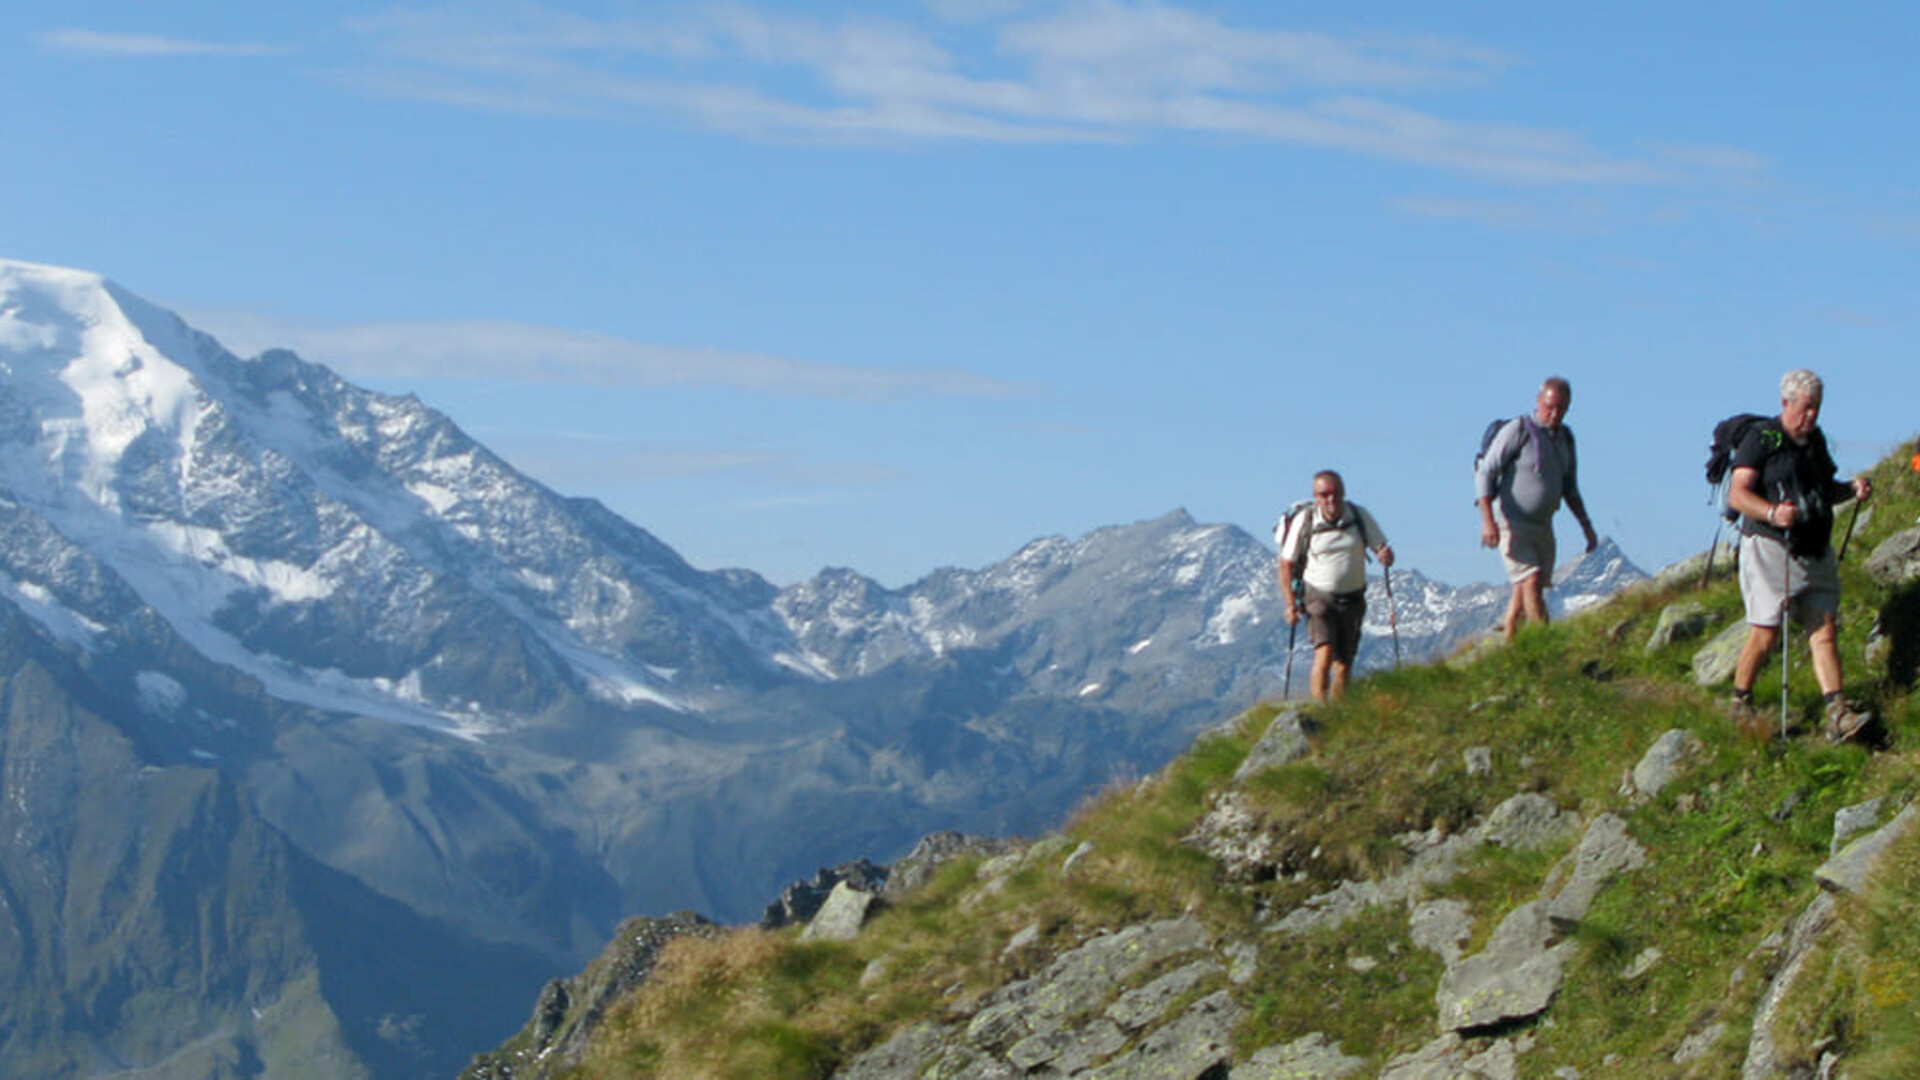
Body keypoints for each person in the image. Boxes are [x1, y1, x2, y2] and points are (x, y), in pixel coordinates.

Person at [1724, 369, 1874, 742]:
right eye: (1806, 408)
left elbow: (1823, 491)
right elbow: (1737, 494)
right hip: (1770, 548)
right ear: (1786, 403)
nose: (1811, 416)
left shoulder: (1816, 442)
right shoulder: (1762, 439)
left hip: (1813, 547)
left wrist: (1851, 490)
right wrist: (1773, 512)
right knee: (1766, 629)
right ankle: (1739, 702)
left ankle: (1837, 712)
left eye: (1817, 409)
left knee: (1824, 628)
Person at [1474, 376, 1598, 642]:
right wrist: (1487, 521)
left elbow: (1570, 488)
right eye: (1550, 407)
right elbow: (1486, 472)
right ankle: (1545, 641)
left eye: (1561, 409)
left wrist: (1586, 526)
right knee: (1531, 579)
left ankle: (1510, 639)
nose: (1554, 414)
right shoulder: (1519, 429)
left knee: (1526, 585)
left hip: (1543, 525)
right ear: (1538, 401)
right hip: (1510, 520)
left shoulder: (1565, 439)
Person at [1277, 470, 1394, 702]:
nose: (1330, 500)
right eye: (1324, 494)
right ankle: (1319, 708)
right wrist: (1290, 604)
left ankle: (1336, 716)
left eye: (1335, 493)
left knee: (1343, 664)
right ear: (1315, 497)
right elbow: (1285, 564)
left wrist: (1385, 556)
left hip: (1353, 598)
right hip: (1318, 596)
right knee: (1324, 652)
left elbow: (1381, 548)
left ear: (1343, 493)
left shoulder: (1359, 516)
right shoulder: (1306, 520)